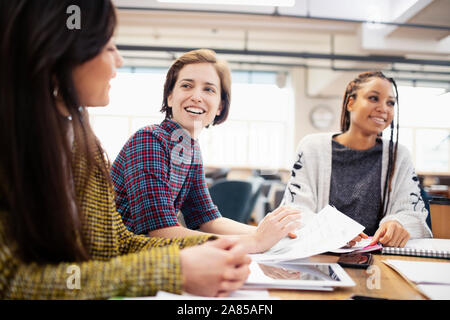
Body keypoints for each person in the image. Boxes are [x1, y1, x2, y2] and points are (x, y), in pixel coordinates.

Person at [0, 0, 251, 299]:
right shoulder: (15, 141)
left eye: (209, 89)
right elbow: (11, 282)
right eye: (108, 47)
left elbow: (118, 242)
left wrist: (222, 247)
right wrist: (175, 268)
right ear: (63, 50)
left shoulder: (83, 142)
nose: (118, 60)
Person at [110, 49, 301, 254]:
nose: (196, 96)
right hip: (116, 261)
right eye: (186, 86)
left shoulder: (190, 148)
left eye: (209, 89)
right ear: (170, 97)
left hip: (147, 259)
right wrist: (255, 241)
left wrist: (272, 234)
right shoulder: (150, 139)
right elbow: (161, 232)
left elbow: (207, 219)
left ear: (220, 106)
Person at [281, 71, 432, 248]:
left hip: (378, 262)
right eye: (374, 98)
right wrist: (329, 230)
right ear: (350, 103)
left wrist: (398, 223)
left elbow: (413, 214)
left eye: (390, 102)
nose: (384, 108)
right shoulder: (312, 148)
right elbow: (295, 211)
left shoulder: (398, 155)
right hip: (321, 256)